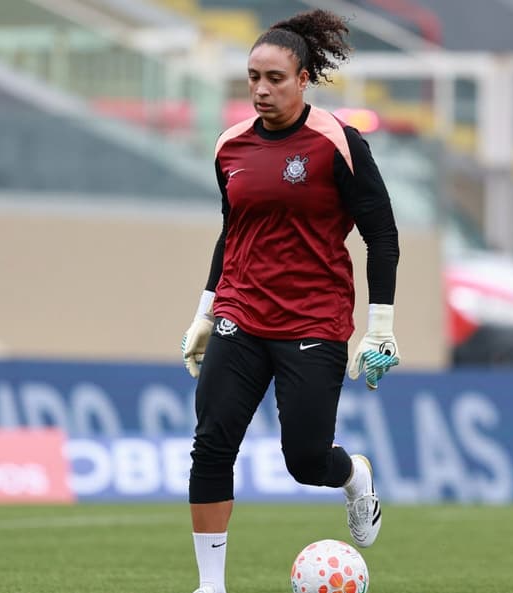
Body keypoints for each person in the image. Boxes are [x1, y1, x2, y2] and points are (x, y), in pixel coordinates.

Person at [179, 9, 401, 593]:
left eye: (275, 77)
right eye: (253, 76)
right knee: (210, 445)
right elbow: (234, 233)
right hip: (240, 316)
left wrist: (380, 326)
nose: (261, 88)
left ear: (303, 79)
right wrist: (206, 312)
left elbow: (381, 233)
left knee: (305, 461)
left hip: (314, 320)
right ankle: (210, 586)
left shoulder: (338, 143)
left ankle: (353, 474)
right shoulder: (230, 147)